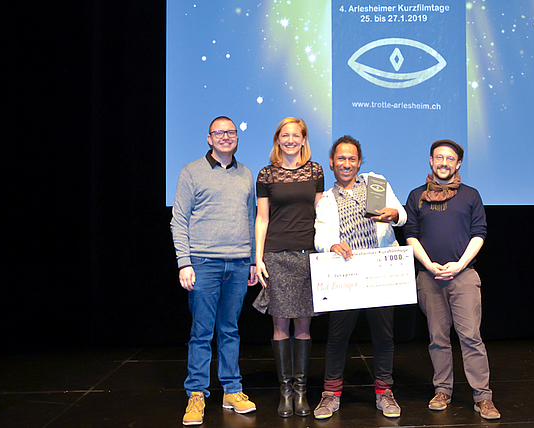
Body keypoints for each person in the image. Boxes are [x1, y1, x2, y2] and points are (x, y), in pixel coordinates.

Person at [171, 116, 259, 426]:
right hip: (204, 263)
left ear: (237, 137)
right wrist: (184, 263)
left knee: (230, 330)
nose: (226, 137)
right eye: (219, 133)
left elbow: (251, 220)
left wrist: (251, 260)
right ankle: (196, 393)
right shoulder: (191, 172)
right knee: (201, 332)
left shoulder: (247, 174)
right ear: (209, 138)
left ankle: (232, 390)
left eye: (231, 132)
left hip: (237, 264)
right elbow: (178, 220)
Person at [403, 139, 500, 420]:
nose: (443, 162)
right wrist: (429, 264)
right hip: (429, 276)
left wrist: (459, 265)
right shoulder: (416, 195)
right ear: (431, 162)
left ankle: (483, 396)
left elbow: (479, 232)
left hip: (464, 276)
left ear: (458, 164)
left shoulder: (471, 195)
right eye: (438, 157)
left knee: (470, 336)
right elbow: (410, 233)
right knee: (437, 338)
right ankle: (442, 390)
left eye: (450, 158)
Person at [312, 135, 407, 419]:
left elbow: (400, 213)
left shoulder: (375, 183)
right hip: (347, 272)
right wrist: (331, 245)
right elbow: (321, 235)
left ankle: (384, 392)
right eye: (341, 158)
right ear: (331, 162)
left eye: (352, 158)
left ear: (359, 162)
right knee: (338, 336)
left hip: (379, 269)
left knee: (383, 335)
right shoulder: (327, 199)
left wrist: (393, 214)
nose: (346, 163)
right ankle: (330, 394)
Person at [254, 117, 324, 418]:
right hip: (277, 255)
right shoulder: (266, 174)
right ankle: (285, 391)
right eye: (285, 135)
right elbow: (262, 219)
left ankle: (301, 390)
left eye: (297, 135)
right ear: (278, 139)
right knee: (280, 324)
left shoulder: (316, 170)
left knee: (305, 326)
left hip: (309, 255)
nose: (291, 140)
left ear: (304, 139)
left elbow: (322, 215)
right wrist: (257, 258)